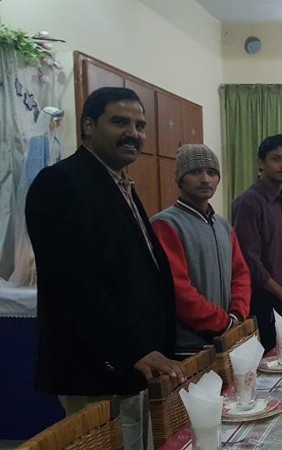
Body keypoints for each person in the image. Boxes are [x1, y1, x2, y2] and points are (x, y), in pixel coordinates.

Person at [25, 87, 185, 450]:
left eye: (140, 125)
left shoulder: (119, 183)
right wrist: (131, 349)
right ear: (87, 126)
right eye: (120, 122)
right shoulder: (61, 183)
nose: (134, 133)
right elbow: (72, 284)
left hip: (137, 362)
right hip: (96, 367)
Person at [151, 144, 251, 357]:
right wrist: (222, 323)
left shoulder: (223, 225)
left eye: (212, 173)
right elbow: (179, 291)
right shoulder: (166, 224)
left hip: (227, 337)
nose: (206, 179)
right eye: (196, 172)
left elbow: (240, 274)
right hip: (188, 347)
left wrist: (236, 314)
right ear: (180, 179)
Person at [232, 133, 282, 351]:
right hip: (261, 299)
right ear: (261, 163)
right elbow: (250, 260)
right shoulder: (249, 202)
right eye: (276, 159)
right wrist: (280, 291)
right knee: (270, 362)